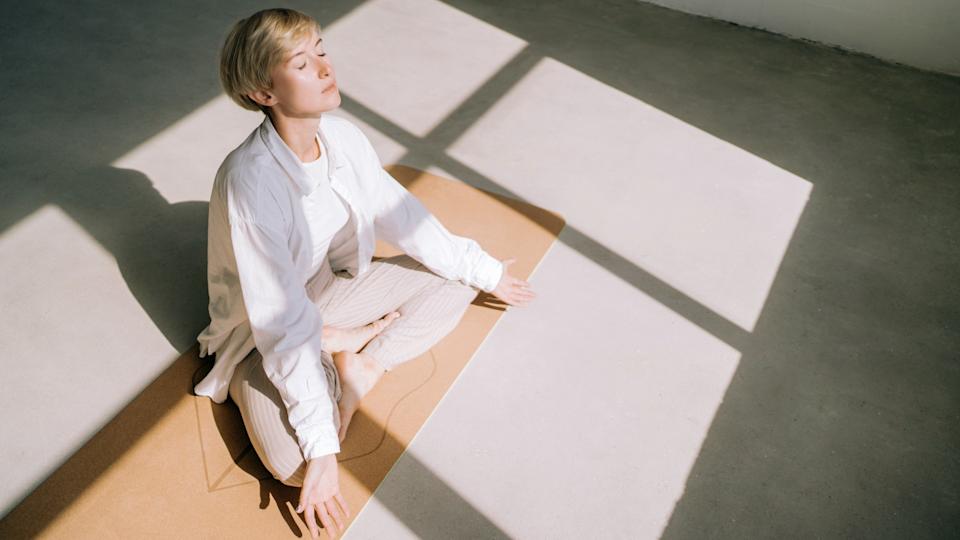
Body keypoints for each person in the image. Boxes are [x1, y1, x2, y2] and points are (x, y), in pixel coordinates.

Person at [191, 8, 535, 539]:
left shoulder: (345, 139)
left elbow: (405, 216)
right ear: (264, 92)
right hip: (260, 339)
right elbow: (280, 325)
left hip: (331, 292)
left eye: (322, 51)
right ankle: (334, 348)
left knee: (456, 284)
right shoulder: (251, 183)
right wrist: (323, 449)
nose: (325, 68)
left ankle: (359, 368)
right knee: (300, 466)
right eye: (302, 63)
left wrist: (485, 271)